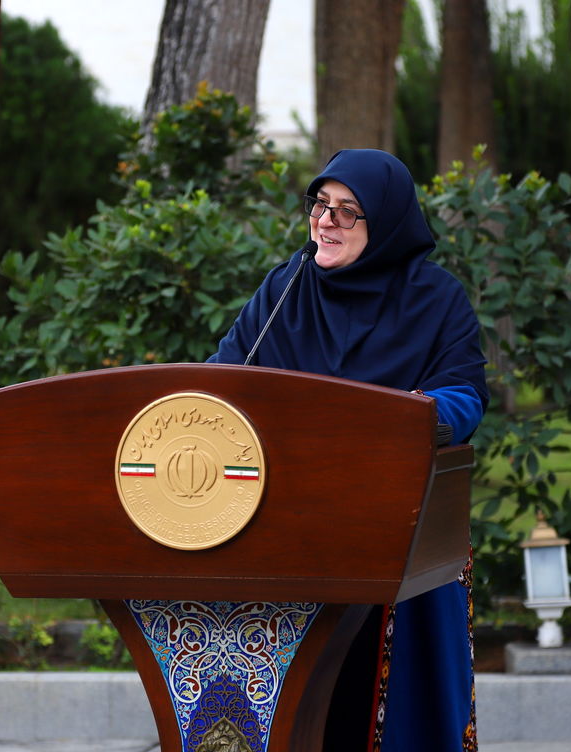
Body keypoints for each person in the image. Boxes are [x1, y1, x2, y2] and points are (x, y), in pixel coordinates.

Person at [208, 148, 488, 752]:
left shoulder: (436, 298)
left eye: (347, 211)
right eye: (320, 205)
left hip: (397, 533)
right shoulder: (286, 287)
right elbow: (222, 377)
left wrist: (407, 418)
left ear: (384, 222)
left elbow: (464, 396)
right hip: (285, 530)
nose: (325, 222)